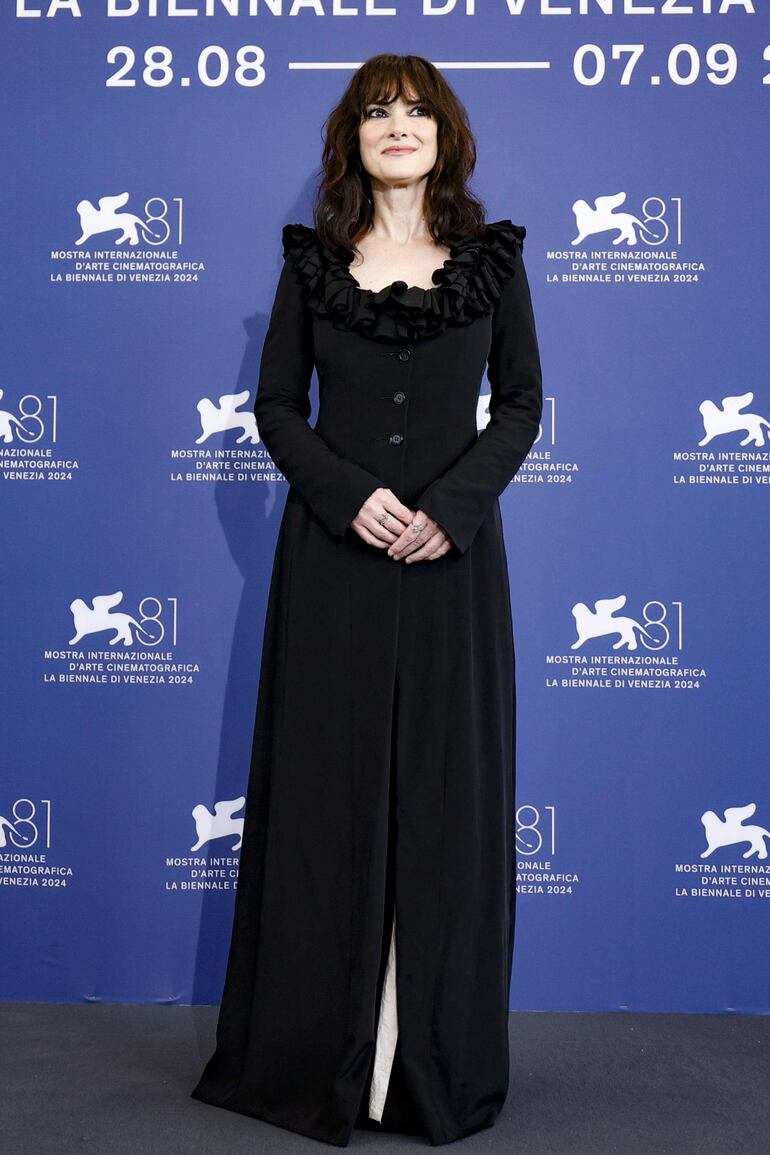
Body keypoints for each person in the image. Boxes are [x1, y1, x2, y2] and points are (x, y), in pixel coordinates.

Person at [190, 52, 543, 1148]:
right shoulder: (310, 268)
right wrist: (350, 499)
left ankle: (424, 1068)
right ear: (351, 138)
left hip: (452, 567)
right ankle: (313, 1062)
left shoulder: (491, 263)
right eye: (377, 112)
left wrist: (454, 503)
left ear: (445, 137)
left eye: (417, 112)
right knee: (323, 803)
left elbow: (523, 403)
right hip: (333, 566)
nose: (398, 126)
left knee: (445, 806)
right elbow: (276, 406)